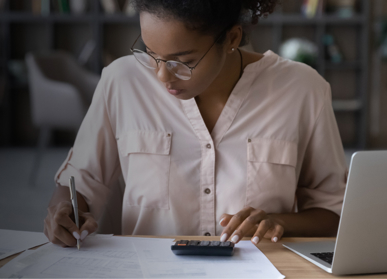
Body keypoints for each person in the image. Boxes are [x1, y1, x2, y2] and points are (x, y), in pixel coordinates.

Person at [44, 0, 347, 248]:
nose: (162, 76)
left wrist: (281, 221)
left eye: (182, 61)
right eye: (150, 54)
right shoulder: (121, 82)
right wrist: (66, 213)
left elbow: (334, 211)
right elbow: (79, 184)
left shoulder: (302, 89)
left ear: (232, 38)